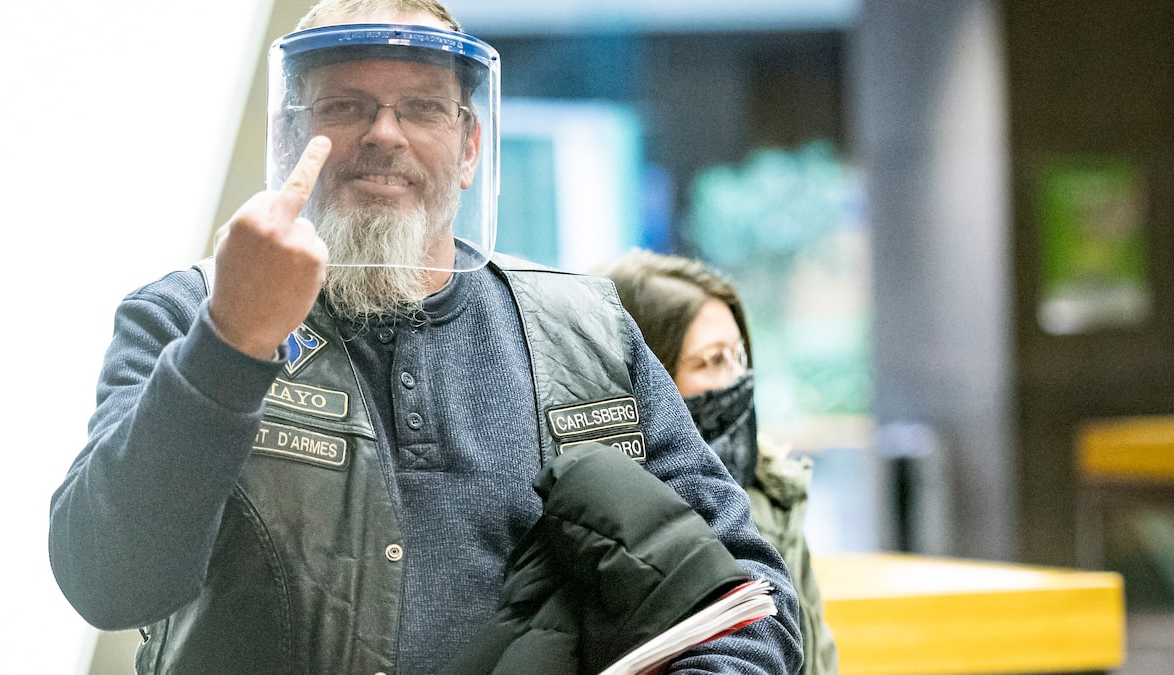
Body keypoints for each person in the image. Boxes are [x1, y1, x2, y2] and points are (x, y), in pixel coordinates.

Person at [47, 1, 803, 674]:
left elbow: (751, 594)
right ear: (288, 134)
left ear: (469, 145)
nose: (384, 133)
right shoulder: (185, 314)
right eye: (345, 105)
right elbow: (108, 580)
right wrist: (230, 341)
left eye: (422, 108)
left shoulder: (589, 332)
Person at [592, 249, 839, 675]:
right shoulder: (607, 522)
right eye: (712, 360)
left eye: (739, 357)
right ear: (651, 374)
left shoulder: (773, 492)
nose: (736, 379)